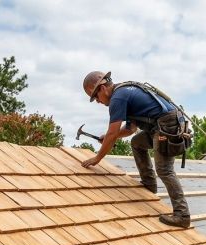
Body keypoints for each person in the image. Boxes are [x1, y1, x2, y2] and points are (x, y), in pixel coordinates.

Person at [80, 70, 190, 228]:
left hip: (167, 125)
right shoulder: (124, 92)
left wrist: (97, 158)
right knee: (137, 142)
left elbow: (112, 132)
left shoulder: (118, 97)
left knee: (164, 169)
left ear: (103, 88)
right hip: (163, 124)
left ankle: (182, 215)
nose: (97, 101)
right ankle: (149, 184)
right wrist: (111, 136)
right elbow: (130, 130)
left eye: (96, 97)